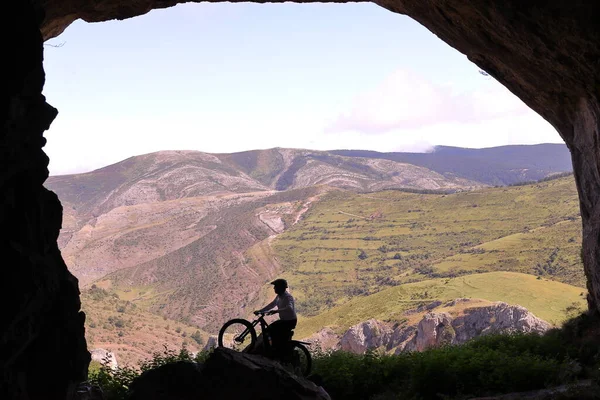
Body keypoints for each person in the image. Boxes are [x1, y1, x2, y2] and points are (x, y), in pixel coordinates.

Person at [254, 278, 297, 360]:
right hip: (284, 321)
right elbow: (272, 305)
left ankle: (274, 351)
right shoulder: (279, 296)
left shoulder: (288, 297)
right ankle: (274, 349)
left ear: (281, 288)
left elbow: (289, 308)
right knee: (271, 331)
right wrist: (261, 311)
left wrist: (277, 311)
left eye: (276, 286)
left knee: (269, 330)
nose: (274, 288)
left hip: (290, 321)